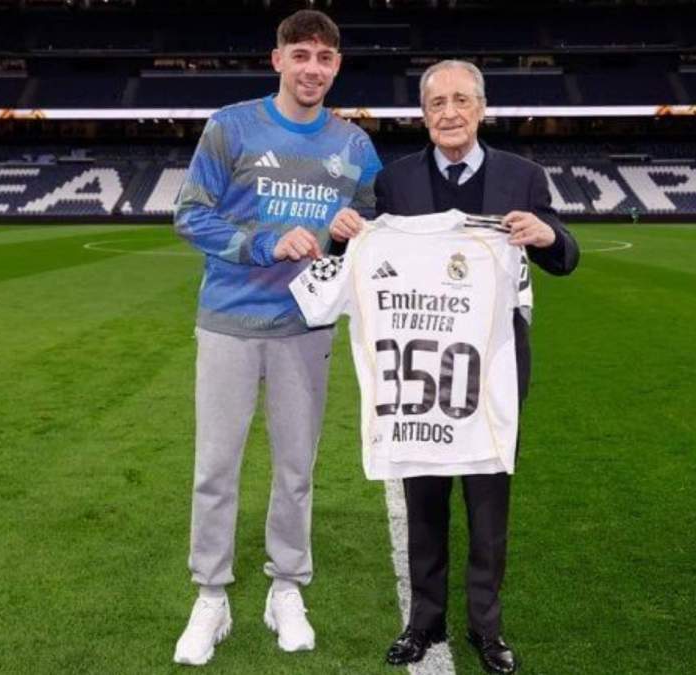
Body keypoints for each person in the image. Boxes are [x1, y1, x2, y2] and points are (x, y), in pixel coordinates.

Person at [330, 59, 579, 674]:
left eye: (461, 100)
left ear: (481, 108)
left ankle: (487, 629)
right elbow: (363, 256)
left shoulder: (523, 177)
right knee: (424, 503)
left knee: (489, 508)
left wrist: (545, 234)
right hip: (417, 376)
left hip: (492, 375)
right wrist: (341, 235)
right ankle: (424, 621)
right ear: (423, 114)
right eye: (437, 102)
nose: (449, 112)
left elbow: (565, 255)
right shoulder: (396, 183)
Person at [171, 9, 381, 667]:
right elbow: (189, 215)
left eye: (324, 57)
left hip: (305, 327)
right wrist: (260, 242)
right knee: (215, 468)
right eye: (301, 55)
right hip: (229, 321)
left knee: (296, 468)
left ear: (337, 66)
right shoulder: (231, 125)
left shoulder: (355, 147)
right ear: (278, 60)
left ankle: (285, 587)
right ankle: (212, 595)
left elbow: (371, 228)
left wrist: (355, 228)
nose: (312, 68)